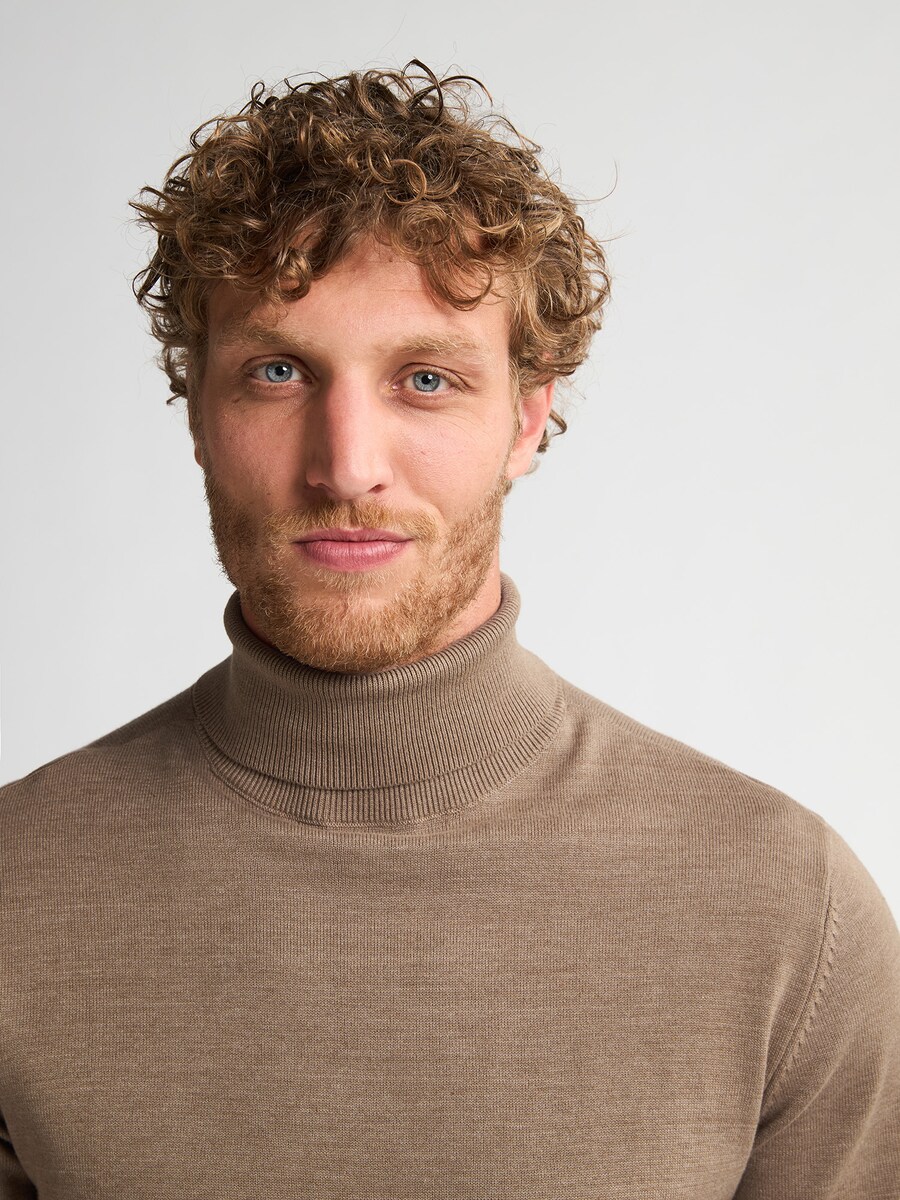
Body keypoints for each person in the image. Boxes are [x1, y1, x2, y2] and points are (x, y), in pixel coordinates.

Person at [0, 61, 897, 1200]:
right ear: (198, 412)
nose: (347, 467)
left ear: (526, 419)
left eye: (425, 379)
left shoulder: (784, 912)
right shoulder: (16, 893)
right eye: (277, 371)